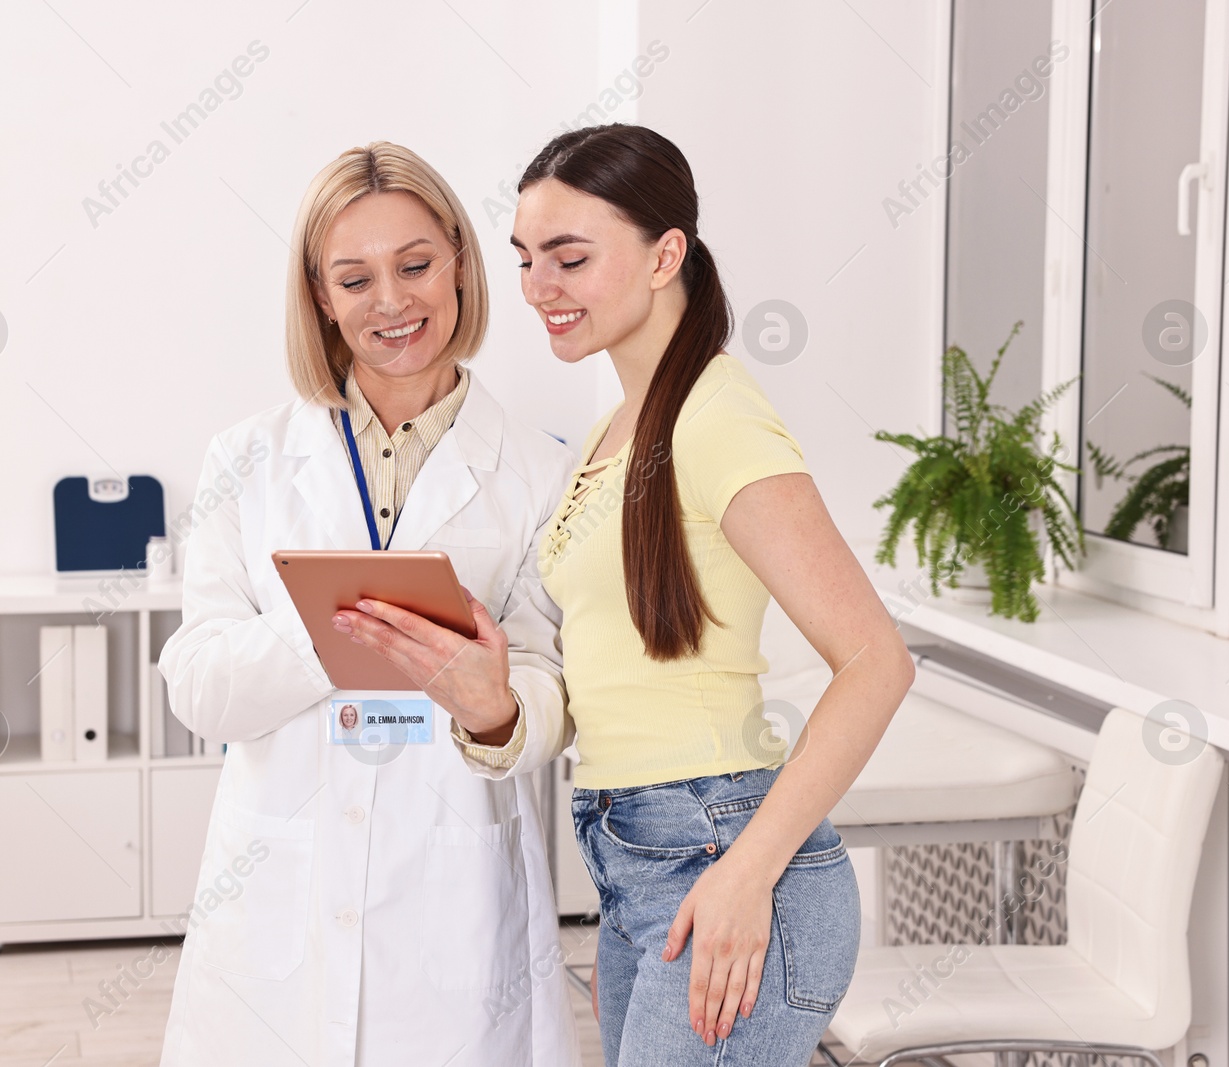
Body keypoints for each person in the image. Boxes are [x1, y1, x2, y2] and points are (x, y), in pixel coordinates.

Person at [157, 141, 580, 1067]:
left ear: (462, 263)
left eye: (417, 265)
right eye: (356, 278)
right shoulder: (246, 460)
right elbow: (196, 685)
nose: (393, 302)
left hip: (455, 893)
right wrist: (336, 628)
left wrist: (497, 707)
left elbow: (553, 686)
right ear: (320, 295)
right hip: (282, 889)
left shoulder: (541, 471)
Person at [512, 123, 913, 1065]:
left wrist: (744, 875)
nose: (539, 287)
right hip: (637, 860)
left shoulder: (717, 416)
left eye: (569, 257)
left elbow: (876, 662)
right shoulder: (618, 423)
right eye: (527, 258)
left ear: (666, 254)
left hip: (722, 853)